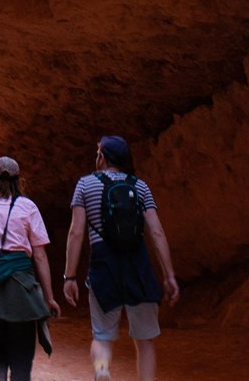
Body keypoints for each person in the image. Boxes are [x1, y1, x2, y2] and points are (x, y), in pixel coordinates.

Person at [63, 136, 179, 381]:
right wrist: (169, 276)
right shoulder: (140, 186)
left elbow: (76, 232)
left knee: (102, 335)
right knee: (145, 340)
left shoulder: (85, 185)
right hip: (138, 264)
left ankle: (103, 369)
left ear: (102, 158)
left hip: (104, 265)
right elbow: (156, 232)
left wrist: (69, 276)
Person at [0, 157, 59, 381]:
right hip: (22, 292)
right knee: (22, 359)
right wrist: (49, 297)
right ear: (18, 180)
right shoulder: (28, 207)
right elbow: (40, 256)